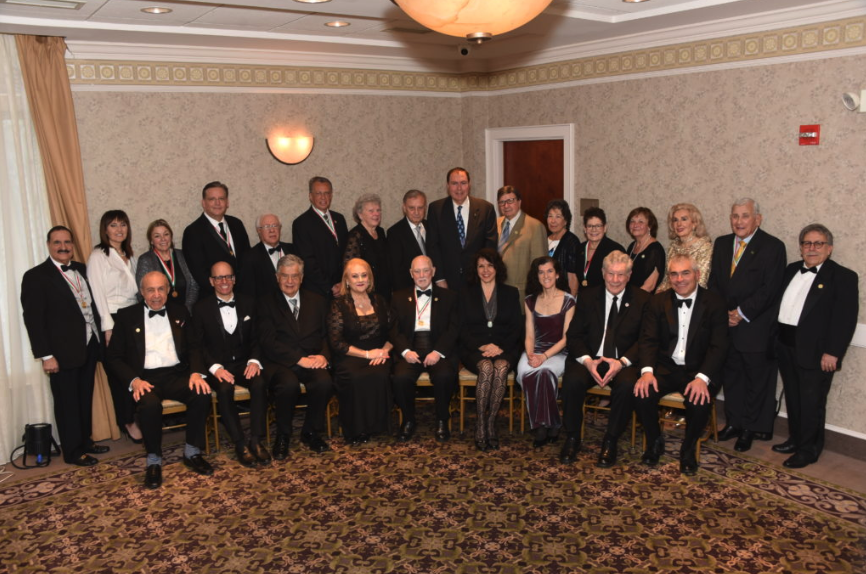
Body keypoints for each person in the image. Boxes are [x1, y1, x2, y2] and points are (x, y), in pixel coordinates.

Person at [107, 272, 214, 489]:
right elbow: (113, 357)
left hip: (176, 374)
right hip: (145, 378)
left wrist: (196, 372)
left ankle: (192, 451)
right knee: (149, 405)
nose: (156, 295)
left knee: (202, 394)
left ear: (167, 290)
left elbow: (195, 346)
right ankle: (153, 459)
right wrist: (134, 380)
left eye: (160, 289)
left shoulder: (180, 311)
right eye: (150, 290)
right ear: (141, 292)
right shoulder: (127, 316)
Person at [633, 254, 728, 476]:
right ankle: (655, 441)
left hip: (699, 369)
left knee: (699, 401)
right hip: (665, 368)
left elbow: (719, 347)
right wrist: (647, 372)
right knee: (641, 393)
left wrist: (702, 378)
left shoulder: (715, 303)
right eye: (674, 274)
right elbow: (648, 340)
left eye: (685, 273)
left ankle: (688, 449)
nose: (679, 279)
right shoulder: (657, 301)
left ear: (697, 274)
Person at [21, 226, 108, 467]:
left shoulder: (81, 268)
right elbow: (34, 321)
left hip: (89, 345)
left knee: (84, 398)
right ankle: (72, 451)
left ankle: (85, 442)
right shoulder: (36, 276)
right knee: (67, 402)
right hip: (60, 353)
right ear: (49, 245)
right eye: (57, 242)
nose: (63, 247)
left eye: (67, 242)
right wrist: (46, 355)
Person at [773, 224, 858, 468]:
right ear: (800, 248)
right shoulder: (790, 271)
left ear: (829, 249)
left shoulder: (843, 277)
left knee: (812, 402)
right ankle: (796, 439)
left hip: (818, 352)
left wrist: (833, 352)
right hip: (786, 346)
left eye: (818, 243)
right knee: (793, 397)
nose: (812, 248)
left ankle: (809, 450)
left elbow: (845, 319)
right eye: (806, 243)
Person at [708, 199, 786, 452]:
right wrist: (723, 313)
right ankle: (734, 423)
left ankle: (750, 429)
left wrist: (740, 313)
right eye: (734, 216)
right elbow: (714, 283)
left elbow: (770, 289)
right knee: (732, 378)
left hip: (755, 327)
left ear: (758, 219)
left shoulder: (773, 247)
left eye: (745, 216)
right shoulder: (721, 243)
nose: (739, 221)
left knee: (756, 381)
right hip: (726, 325)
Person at [560, 251, 649, 466]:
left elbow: (646, 339)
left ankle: (611, 439)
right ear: (602, 273)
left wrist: (622, 362)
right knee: (572, 380)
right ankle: (572, 436)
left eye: (621, 275)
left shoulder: (643, 300)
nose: (615, 280)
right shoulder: (588, 296)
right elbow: (574, 336)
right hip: (591, 358)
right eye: (611, 274)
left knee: (628, 385)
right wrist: (588, 361)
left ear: (629, 275)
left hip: (622, 360)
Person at [189, 262, 270, 468]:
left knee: (259, 383)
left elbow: (258, 338)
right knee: (225, 389)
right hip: (218, 365)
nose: (223, 282)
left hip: (244, 362)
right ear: (211, 281)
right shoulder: (200, 308)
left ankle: (256, 440)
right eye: (218, 278)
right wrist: (215, 368)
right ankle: (240, 442)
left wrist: (254, 360)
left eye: (227, 277)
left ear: (234, 279)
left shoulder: (250, 302)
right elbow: (198, 345)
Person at [257, 254, 332, 457]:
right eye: (285, 276)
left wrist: (324, 356)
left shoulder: (317, 301)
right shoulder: (265, 303)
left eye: (295, 276)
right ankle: (283, 435)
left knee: (324, 382)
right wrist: (299, 360)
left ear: (302, 277)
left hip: (311, 359)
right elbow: (268, 342)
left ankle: (310, 431)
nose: (290, 281)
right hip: (280, 362)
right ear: (277, 277)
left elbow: (326, 335)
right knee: (288, 385)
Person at [458, 249, 523, 451]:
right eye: (481, 266)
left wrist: (500, 346)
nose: (486, 270)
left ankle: (491, 422)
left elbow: (516, 327)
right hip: (474, 348)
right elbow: (460, 327)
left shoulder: (511, 293)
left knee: (501, 368)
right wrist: (482, 346)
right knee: (486, 368)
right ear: (475, 269)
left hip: (505, 346)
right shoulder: (464, 293)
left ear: (497, 268)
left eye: (490, 265)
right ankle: (480, 424)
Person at [390, 255, 460, 442]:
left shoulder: (449, 297)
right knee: (401, 377)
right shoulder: (397, 297)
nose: (422, 275)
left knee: (444, 376)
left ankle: (442, 419)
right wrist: (405, 351)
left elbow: (454, 328)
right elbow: (394, 330)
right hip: (411, 348)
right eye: (417, 271)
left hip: (437, 348)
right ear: (411, 274)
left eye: (425, 270)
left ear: (433, 271)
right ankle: (408, 419)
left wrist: (437, 352)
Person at [87, 209, 141, 443]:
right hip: (111, 319)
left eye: (123, 225)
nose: (119, 229)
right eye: (113, 225)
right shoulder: (99, 256)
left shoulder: (131, 255)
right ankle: (127, 421)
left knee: (136, 370)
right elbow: (97, 294)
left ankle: (138, 416)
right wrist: (108, 327)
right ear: (105, 229)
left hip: (132, 316)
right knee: (119, 375)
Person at [327, 258, 393, 445]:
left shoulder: (379, 300)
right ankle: (356, 429)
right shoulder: (338, 305)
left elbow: (394, 331)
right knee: (355, 377)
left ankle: (376, 425)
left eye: (364, 275)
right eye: (354, 276)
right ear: (346, 280)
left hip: (380, 353)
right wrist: (366, 354)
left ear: (370, 278)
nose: (360, 279)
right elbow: (337, 343)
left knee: (380, 374)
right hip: (350, 355)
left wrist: (383, 351)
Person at [517, 256, 576, 448]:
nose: (546, 275)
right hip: (534, 350)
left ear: (558, 274)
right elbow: (529, 335)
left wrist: (543, 357)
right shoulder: (530, 300)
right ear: (537, 276)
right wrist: (531, 355)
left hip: (559, 353)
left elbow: (566, 339)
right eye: (541, 272)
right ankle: (549, 423)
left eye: (550, 271)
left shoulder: (569, 300)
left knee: (543, 372)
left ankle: (543, 426)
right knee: (527, 371)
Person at [426, 167, 497, 291]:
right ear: (448, 186)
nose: (459, 188)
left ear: (469, 185)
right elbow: (433, 246)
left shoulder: (486, 209)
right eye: (454, 183)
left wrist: (485, 275)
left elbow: (490, 245)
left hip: (477, 279)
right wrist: (439, 278)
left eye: (463, 183)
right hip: (446, 282)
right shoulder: (435, 209)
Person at [181, 181, 251, 290]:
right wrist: (224, 291)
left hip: (243, 293)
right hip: (213, 297)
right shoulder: (193, 232)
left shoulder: (237, 224)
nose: (217, 203)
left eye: (221, 199)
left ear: (227, 202)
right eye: (212, 199)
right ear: (204, 203)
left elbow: (247, 258)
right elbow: (199, 272)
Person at [292, 176, 349, 298]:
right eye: (318, 193)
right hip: (318, 291)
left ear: (331, 195)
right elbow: (307, 261)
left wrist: (343, 282)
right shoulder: (301, 223)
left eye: (327, 193)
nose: (323, 197)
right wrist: (330, 286)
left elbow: (346, 253)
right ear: (310, 196)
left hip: (343, 288)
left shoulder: (339, 218)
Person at [496, 186, 548, 302]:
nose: (506, 206)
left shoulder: (535, 227)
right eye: (502, 202)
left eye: (510, 201)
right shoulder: (495, 224)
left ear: (519, 202)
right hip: (497, 291)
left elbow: (539, 267)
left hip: (521, 294)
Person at [136, 219, 200, 313]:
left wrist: (186, 309)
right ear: (151, 241)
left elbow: (194, 286)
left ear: (171, 236)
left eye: (166, 234)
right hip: (159, 313)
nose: (163, 239)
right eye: (157, 236)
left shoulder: (183, 255)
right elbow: (142, 292)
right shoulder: (145, 260)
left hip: (186, 312)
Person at [343, 194, 391, 300]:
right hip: (365, 292)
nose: (376, 214)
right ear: (360, 215)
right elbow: (349, 268)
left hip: (385, 290)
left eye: (378, 210)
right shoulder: (355, 236)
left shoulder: (381, 232)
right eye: (371, 211)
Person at [237, 214, 296, 298]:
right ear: (259, 231)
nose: (272, 230)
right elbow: (247, 293)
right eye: (266, 227)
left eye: (275, 225)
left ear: (280, 228)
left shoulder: (293, 250)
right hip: (265, 309)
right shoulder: (249, 258)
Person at [657, 203, 712, 292]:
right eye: (675, 220)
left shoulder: (704, 247)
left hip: (694, 297)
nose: (679, 224)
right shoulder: (673, 246)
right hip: (670, 295)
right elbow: (667, 279)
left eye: (684, 219)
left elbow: (701, 281)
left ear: (694, 223)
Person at [574, 207, 625, 292]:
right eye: (590, 226)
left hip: (605, 300)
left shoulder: (615, 250)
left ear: (605, 228)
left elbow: (621, 280)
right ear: (584, 228)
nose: (594, 229)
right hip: (583, 300)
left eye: (598, 226)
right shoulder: (579, 249)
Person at [388, 190, 428, 293]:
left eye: (420, 208)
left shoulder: (432, 227)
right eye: (411, 208)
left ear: (425, 208)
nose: (416, 212)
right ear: (404, 208)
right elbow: (396, 271)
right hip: (409, 291)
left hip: (433, 289)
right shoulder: (394, 233)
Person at [624, 207, 665, 293]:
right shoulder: (632, 246)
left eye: (641, 222)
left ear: (649, 226)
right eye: (632, 221)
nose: (635, 225)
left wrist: (631, 302)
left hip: (643, 300)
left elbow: (649, 286)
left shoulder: (655, 249)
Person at [545, 199, 580, 296]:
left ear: (565, 221)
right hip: (545, 294)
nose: (553, 220)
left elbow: (573, 277)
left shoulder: (572, 241)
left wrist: (570, 302)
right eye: (550, 216)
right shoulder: (544, 238)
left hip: (562, 295)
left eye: (558, 216)